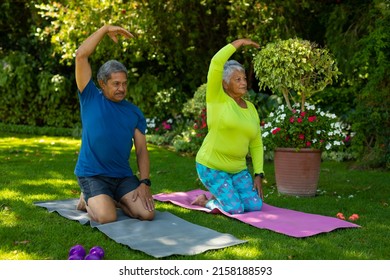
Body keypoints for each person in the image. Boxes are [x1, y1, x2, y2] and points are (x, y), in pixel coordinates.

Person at [74, 25, 155, 224]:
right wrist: (104, 29)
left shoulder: (134, 112)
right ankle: (88, 198)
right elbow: (81, 55)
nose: (122, 88)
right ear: (102, 84)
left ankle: (113, 198)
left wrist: (144, 182)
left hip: (122, 176)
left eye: (124, 83)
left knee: (147, 213)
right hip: (92, 174)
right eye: (116, 84)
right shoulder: (90, 97)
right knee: (106, 217)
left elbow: (142, 150)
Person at [191, 39, 265, 214]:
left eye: (244, 78)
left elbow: (256, 143)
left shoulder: (251, 108)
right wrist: (239, 43)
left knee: (255, 205)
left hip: (238, 170)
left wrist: (258, 174)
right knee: (235, 208)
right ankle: (205, 201)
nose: (243, 82)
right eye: (237, 79)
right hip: (212, 167)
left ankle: (220, 195)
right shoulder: (217, 99)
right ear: (225, 83)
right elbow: (216, 62)